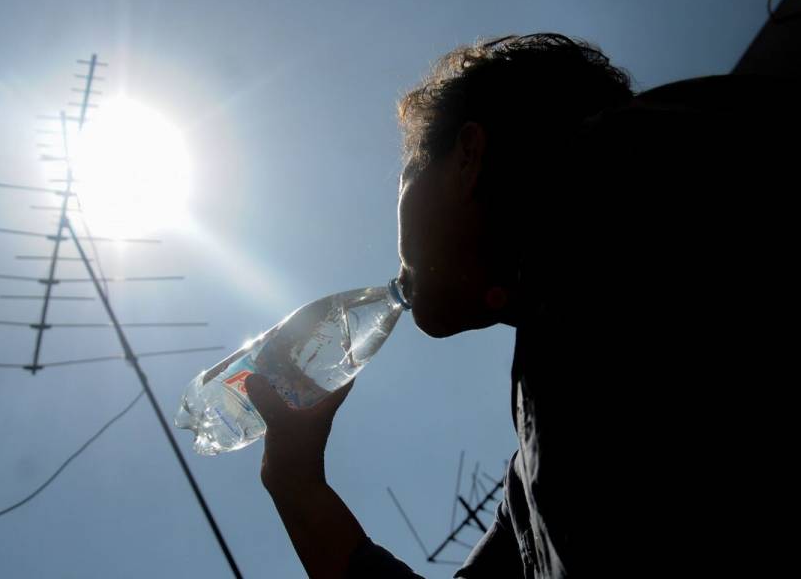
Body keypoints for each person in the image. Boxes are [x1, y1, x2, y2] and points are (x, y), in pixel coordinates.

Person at [245, 34, 797, 578]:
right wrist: (294, 481)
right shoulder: (527, 481)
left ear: (467, 154)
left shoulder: (658, 187)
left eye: (410, 171)